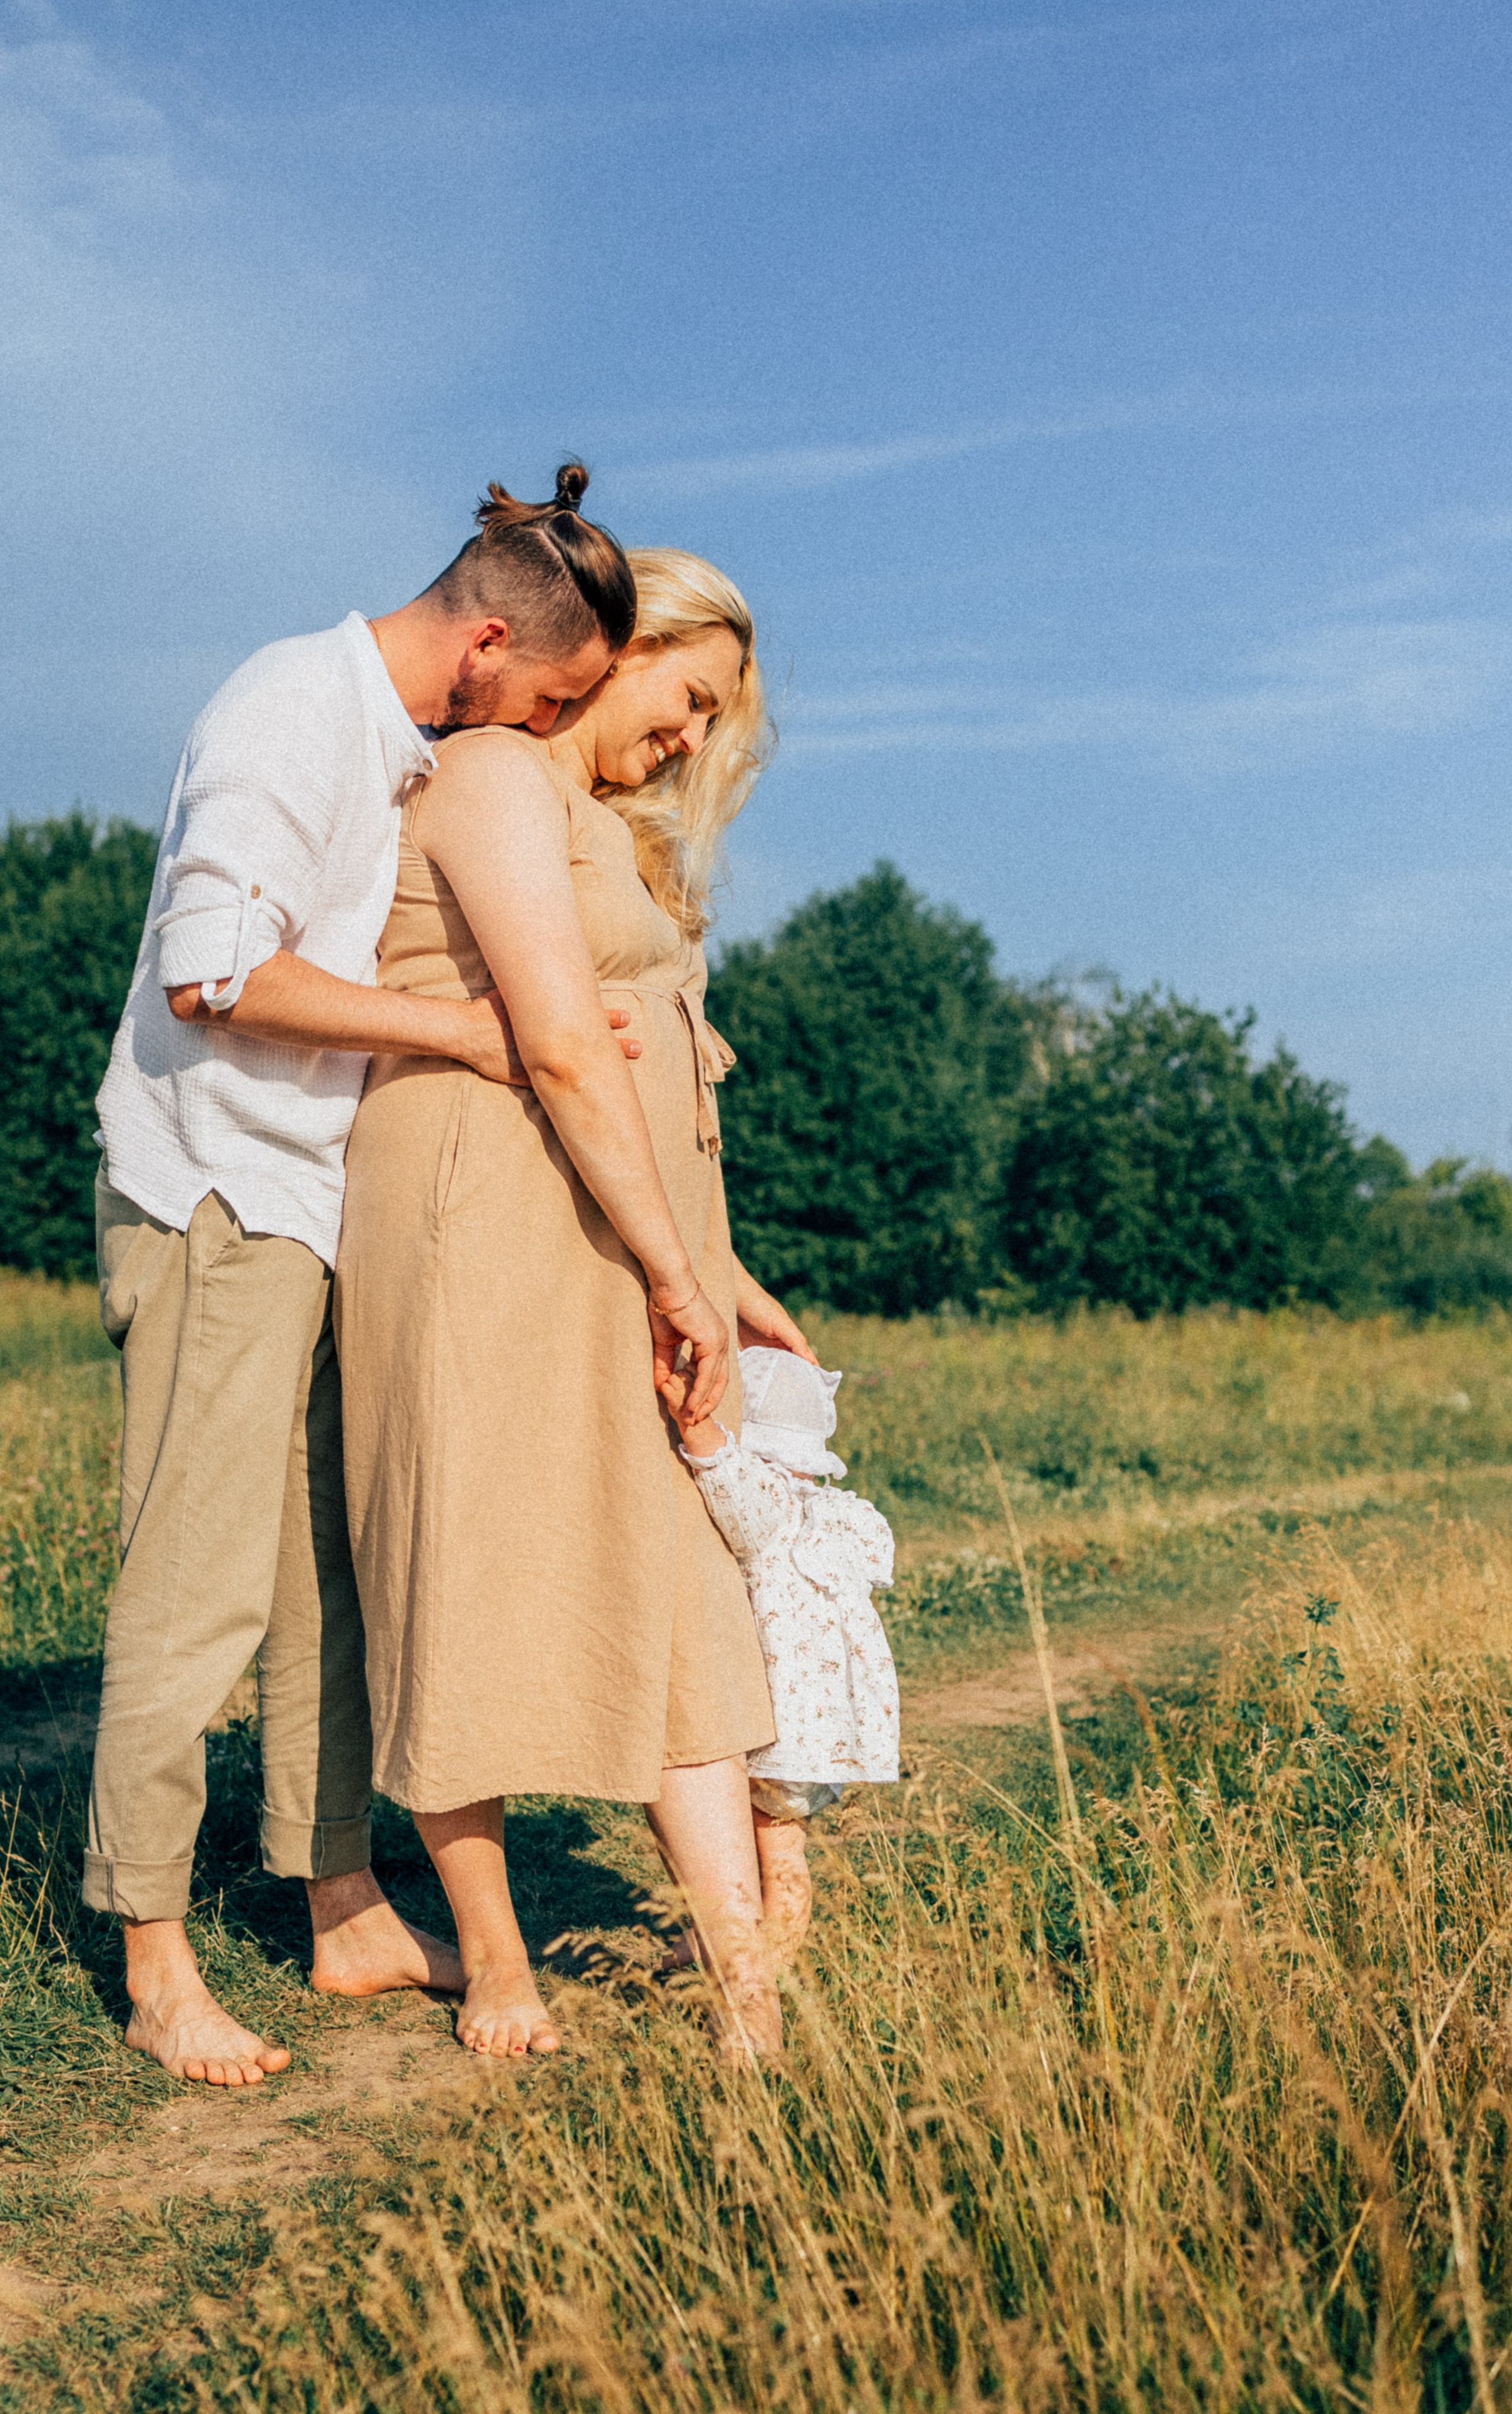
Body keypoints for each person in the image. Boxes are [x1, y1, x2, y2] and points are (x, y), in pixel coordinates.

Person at [89, 466, 638, 2087]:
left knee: (332, 1574)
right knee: (197, 1589)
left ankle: (339, 1898)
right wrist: (472, 1033)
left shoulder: (413, 744)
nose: (548, 728)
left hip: (320, 1204)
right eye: (553, 698)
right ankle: (153, 1952)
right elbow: (214, 971)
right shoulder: (284, 712)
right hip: (215, 1191)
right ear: (486, 638)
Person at [336, 548, 816, 2062]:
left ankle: (748, 1988)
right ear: (614, 651)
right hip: (483, 1212)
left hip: (612, 1223)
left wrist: (722, 1279)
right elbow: (555, 1043)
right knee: (457, 1554)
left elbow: (652, 1069)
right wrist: (678, 1269)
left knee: (676, 1569)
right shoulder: (491, 777)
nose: (687, 741)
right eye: (683, 700)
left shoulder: (607, 828)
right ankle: (494, 1954)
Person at [660, 1347, 900, 1967]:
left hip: (777, 1734)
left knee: (765, 1848)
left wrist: (694, 1418)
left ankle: (769, 1965)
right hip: (823, 1735)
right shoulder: (838, 1514)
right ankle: (720, 1941)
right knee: (777, 1846)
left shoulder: (769, 1511)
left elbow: (724, 1473)